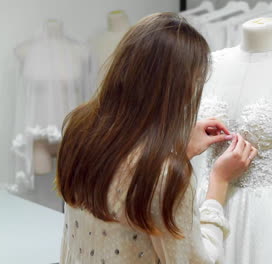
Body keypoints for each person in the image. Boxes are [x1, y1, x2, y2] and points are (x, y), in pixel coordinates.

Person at [55, 12, 257, 264]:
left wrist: (176, 150)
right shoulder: (165, 176)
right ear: (179, 91)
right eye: (195, 83)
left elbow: (121, 198)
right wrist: (219, 182)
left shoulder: (78, 129)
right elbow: (198, 260)